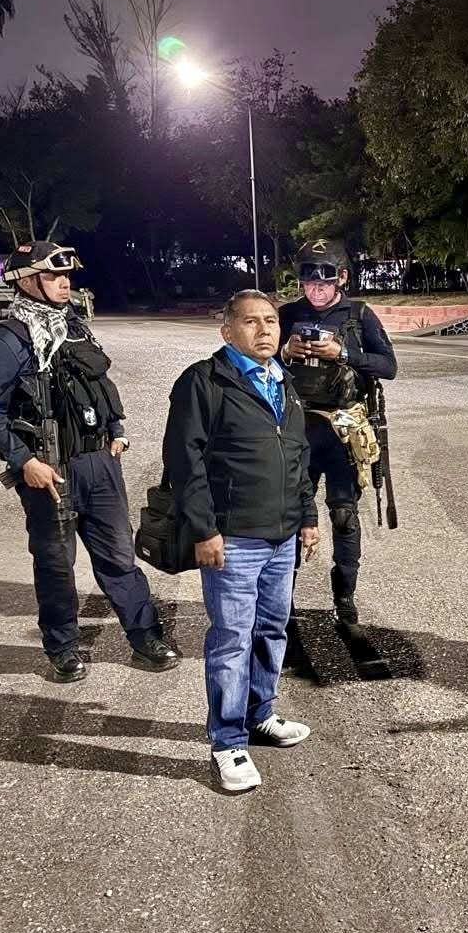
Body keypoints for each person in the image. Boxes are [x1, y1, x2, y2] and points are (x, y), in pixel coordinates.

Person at [0, 241, 178, 683]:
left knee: (120, 557)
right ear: (26, 281)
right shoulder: (9, 340)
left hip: (99, 462)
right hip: (49, 469)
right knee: (55, 564)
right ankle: (63, 647)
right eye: (52, 275)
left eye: (67, 275)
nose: (65, 282)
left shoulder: (75, 327)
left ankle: (145, 638)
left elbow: (98, 381)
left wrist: (117, 429)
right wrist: (23, 459)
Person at [163, 290, 321, 792]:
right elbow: (184, 464)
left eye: (271, 321)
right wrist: (205, 530)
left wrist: (308, 516)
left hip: (281, 538)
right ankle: (228, 742)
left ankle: (260, 715)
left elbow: (298, 457)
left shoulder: (284, 383)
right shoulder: (203, 383)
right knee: (232, 638)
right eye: (251, 322)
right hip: (233, 540)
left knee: (272, 630)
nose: (265, 330)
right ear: (227, 331)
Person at [277, 239, 397, 631]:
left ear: (341, 277)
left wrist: (343, 354)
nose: (315, 287)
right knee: (291, 514)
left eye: (324, 278)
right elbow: (252, 357)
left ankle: (344, 597)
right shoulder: (287, 314)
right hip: (297, 432)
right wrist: (283, 349)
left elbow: (389, 365)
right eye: (308, 279)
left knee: (344, 516)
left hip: (344, 433)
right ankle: (283, 599)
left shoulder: (358, 314)